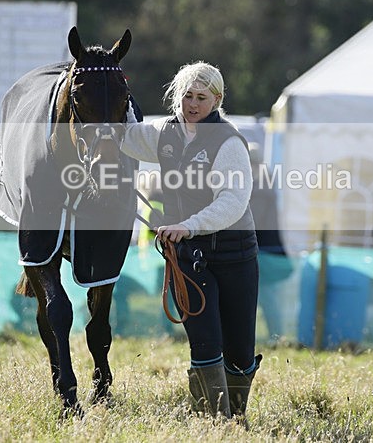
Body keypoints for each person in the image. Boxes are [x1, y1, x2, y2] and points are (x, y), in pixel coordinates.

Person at [121, 61, 261, 420]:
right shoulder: (165, 133)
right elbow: (126, 136)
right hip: (187, 257)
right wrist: (112, 94)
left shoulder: (228, 141)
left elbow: (232, 201)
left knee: (240, 352)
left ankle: (236, 417)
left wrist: (188, 225)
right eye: (187, 96)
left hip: (235, 255)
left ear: (217, 99)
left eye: (201, 97)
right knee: (204, 344)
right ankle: (214, 424)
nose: (193, 104)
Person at [247, 142, 293, 342]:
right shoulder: (264, 183)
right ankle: (274, 335)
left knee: (266, 296)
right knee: (265, 295)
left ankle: (276, 336)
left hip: (262, 249)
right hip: (265, 248)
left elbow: (253, 222)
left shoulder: (259, 188)